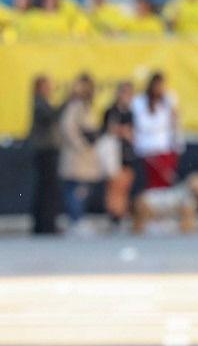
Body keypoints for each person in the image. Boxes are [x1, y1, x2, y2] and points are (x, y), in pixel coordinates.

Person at [59, 73, 105, 233]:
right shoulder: (76, 105)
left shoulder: (86, 106)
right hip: (77, 156)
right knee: (76, 189)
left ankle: (79, 218)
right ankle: (76, 221)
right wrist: (81, 145)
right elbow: (67, 127)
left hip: (85, 155)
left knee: (82, 188)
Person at [131, 72, 181, 189]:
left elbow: (175, 124)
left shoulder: (168, 99)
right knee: (150, 186)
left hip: (165, 148)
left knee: (165, 185)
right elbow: (141, 125)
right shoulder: (139, 101)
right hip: (146, 150)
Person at [28, 75, 63, 235]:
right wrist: (68, 100)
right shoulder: (39, 103)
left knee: (47, 189)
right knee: (47, 189)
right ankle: (45, 225)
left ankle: (45, 224)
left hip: (48, 151)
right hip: (45, 152)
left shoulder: (43, 102)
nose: (49, 89)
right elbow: (52, 116)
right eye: (46, 86)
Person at [100, 80, 137, 229]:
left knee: (125, 185)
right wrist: (121, 131)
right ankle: (114, 215)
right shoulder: (111, 111)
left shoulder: (131, 113)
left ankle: (121, 214)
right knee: (114, 186)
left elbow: (134, 133)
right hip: (113, 154)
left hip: (127, 153)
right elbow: (107, 130)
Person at [133, 172, 198, 235]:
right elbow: (187, 224)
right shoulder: (188, 199)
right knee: (141, 226)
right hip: (147, 202)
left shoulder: (185, 195)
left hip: (148, 199)